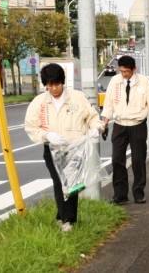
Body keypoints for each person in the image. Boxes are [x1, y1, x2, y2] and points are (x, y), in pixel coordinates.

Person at [24, 63, 104, 232]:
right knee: (59, 182)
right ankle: (66, 220)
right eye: (49, 85)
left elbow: (92, 117)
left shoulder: (77, 97)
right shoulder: (39, 102)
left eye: (56, 84)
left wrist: (96, 128)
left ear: (63, 82)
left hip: (75, 148)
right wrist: (46, 136)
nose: (53, 88)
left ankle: (66, 218)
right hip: (52, 149)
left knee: (73, 184)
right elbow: (31, 126)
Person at [101, 55, 149, 205]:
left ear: (134, 69)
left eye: (127, 71)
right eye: (121, 71)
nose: (124, 74)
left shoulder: (144, 82)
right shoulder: (115, 82)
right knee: (117, 160)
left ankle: (139, 193)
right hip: (120, 125)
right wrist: (105, 124)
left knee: (138, 160)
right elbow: (108, 104)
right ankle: (120, 195)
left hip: (137, 125)